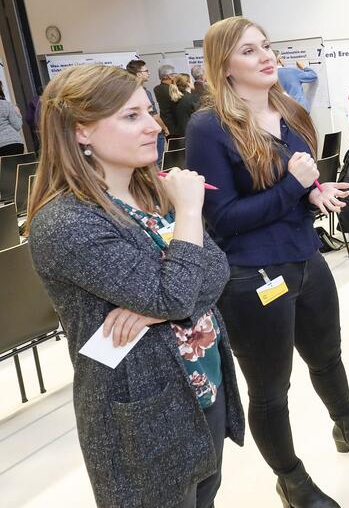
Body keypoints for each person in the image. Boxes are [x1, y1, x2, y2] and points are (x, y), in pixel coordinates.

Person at [186, 16, 349, 508]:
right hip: (250, 276)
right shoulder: (209, 127)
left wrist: (316, 192)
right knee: (271, 388)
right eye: (249, 51)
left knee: (327, 356)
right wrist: (294, 187)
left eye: (266, 46)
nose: (265, 56)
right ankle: (291, 479)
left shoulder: (289, 109)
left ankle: (348, 425)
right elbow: (224, 219)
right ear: (224, 67)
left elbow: (298, 179)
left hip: (305, 259)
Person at [25, 64, 244, 508]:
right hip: (143, 413)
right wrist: (187, 218)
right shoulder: (67, 221)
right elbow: (177, 293)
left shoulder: (152, 192)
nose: (155, 126)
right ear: (80, 131)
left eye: (150, 111)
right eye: (132, 116)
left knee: (206, 498)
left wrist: (155, 308)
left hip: (203, 383)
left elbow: (218, 268)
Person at [126, 59, 169, 163]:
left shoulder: (129, 91)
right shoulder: (143, 92)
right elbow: (154, 115)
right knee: (158, 162)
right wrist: (164, 128)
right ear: (139, 74)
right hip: (152, 132)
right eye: (146, 71)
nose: (149, 73)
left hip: (140, 134)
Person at [171, 73, 200, 138]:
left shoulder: (175, 98)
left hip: (182, 134)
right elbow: (200, 117)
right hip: (193, 134)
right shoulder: (192, 98)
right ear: (188, 83)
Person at [154, 64, 179, 137]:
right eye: (174, 74)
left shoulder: (157, 88)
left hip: (166, 122)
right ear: (167, 76)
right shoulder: (170, 90)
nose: (176, 76)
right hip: (175, 124)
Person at [0, 81, 25, 156]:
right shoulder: (5, 104)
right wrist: (18, 114)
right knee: (17, 166)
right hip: (14, 144)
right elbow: (17, 126)